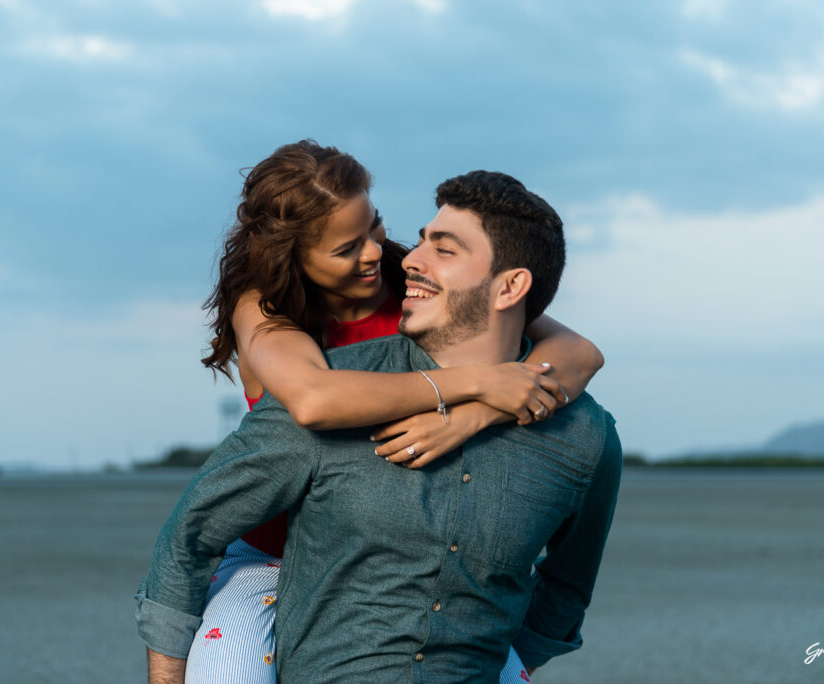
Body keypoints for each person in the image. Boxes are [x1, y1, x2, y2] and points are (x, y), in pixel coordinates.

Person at [137, 169, 622, 683]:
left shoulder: (584, 438)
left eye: (444, 248)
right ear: (301, 256)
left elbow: (581, 354)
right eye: (348, 246)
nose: (399, 255)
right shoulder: (292, 341)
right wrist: (469, 387)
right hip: (260, 557)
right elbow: (308, 406)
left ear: (512, 286)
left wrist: (478, 411)